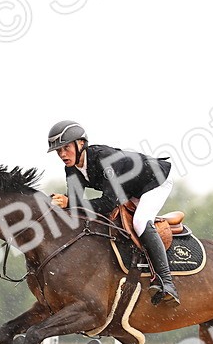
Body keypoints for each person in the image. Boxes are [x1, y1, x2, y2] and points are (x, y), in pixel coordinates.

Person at [46, 120, 179, 306]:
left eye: (66, 148)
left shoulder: (105, 159)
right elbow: (76, 205)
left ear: (80, 143)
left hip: (155, 180)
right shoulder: (71, 168)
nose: (62, 154)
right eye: (58, 151)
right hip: (130, 189)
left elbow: (108, 203)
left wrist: (70, 202)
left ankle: (167, 283)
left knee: (140, 222)